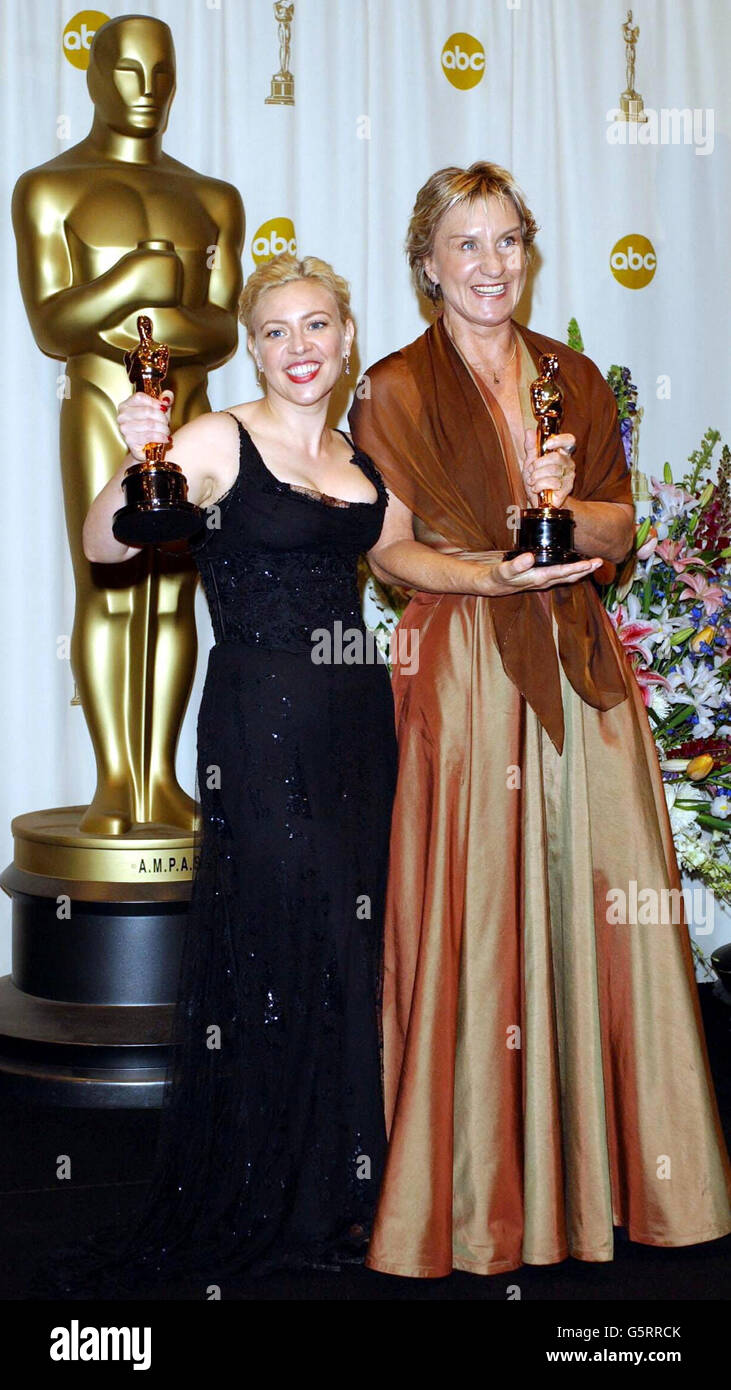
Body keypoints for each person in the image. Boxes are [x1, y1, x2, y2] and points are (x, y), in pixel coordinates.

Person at [349, 161, 731, 1278]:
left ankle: (615, 1185)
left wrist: (568, 512)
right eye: (465, 245)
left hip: (577, 667)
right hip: (464, 668)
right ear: (426, 263)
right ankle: (476, 1201)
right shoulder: (392, 389)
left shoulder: (572, 376)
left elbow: (613, 522)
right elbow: (388, 547)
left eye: (507, 241)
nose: (489, 265)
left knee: (603, 910)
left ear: (529, 251)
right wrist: (491, 575)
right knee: (477, 918)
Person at [38, 254, 397, 1295]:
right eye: (277, 329)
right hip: (260, 724)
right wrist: (131, 462)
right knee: (285, 940)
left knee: (347, 946)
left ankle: (341, 1188)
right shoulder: (214, 436)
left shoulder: (353, 454)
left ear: (343, 335)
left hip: (354, 722)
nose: (299, 347)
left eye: (316, 325)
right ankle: (266, 1193)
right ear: (253, 343)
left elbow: (412, 554)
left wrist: (510, 565)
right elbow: (109, 545)